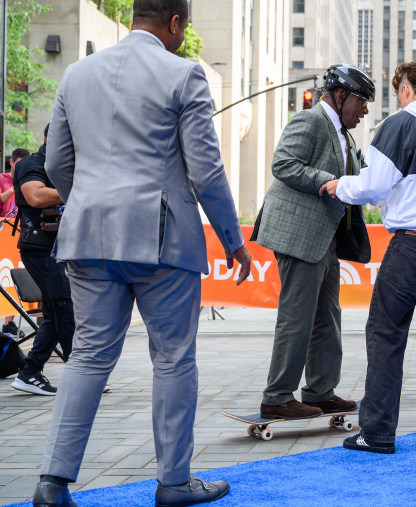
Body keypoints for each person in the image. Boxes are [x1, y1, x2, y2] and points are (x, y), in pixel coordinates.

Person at [32, 1, 252, 506]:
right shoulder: (185, 75)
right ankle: (173, 483)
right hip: (162, 241)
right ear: (175, 23)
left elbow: (59, 162)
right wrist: (232, 239)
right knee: (174, 359)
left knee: (87, 356)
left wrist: (89, 199)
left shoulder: (77, 74)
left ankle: (52, 483)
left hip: (87, 236)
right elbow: (205, 168)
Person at [321, 60, 416, 454]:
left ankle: (376, 434)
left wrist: (338, 185)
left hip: (412, 247)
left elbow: (373, 187)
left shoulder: (399, 124)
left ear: (406, 89)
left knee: (386, 335)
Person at [251, 63, 373, 420]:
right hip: (299, 236)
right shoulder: (311, 120)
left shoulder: (345, 134)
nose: (364, 110)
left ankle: (320, 391)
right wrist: (326, 180)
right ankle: (277, 396)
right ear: (339, 95)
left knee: (326, 317)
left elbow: (363, 174)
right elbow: (283, 163)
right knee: (297, 317)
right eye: (361, 101)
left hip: (324, 239)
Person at [11, 129, 72, 396]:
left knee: (55, 313)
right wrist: (78, 189)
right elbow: (35, 196)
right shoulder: (32, 164)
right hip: (40, 247)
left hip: (63, 246)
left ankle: (30, 371)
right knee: (65, 309)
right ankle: (81, 376)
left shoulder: (67, 165)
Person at [1, 148, 30, 338]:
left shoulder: (29, 180)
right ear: (11, 162)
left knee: (15, 277)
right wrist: (13, 189)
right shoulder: (3, 179)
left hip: (20, 234)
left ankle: (9, 322)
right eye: (18, 164)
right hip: (4, 235)